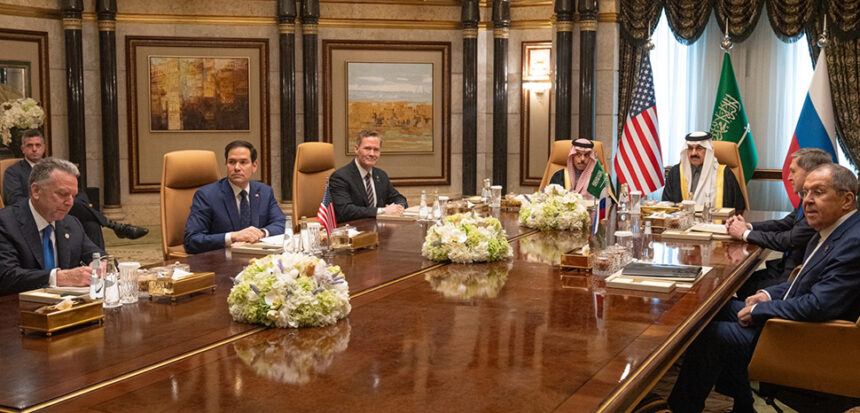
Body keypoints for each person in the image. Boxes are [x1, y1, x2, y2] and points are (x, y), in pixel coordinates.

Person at [668, 164, 860, 413]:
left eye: (818, 192)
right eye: (805, 193)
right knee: (712, 310)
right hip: (799, 321)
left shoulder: (853, 242)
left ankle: (681, 409)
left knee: (709, 334)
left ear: (846, 200)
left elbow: (819, 305)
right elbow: (804, 282)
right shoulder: (830, 229)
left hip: (812, 339)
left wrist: (762, 310)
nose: (807, 201)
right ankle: (743, 404)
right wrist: (767, 295)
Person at [2, 129, 149, 248]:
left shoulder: (56, 168)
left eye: (38, 145)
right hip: (37, 212)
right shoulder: (13, 171)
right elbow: (14, 200)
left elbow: (80, 193)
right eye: (30, 146)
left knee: (92, 224)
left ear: (44, 148)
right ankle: (115, 226)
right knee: (71, 202)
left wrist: (72, 202)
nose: (34, 149)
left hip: (67, 212)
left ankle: (98, 264)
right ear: (22, 149)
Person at [725, 148, 832, 298]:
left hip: (793, 277)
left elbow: (788, 240)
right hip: (784, 266)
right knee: (738, 282)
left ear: (811, 173)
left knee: (735, 287)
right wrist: (749, 226)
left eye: (793, 171)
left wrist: (745, 234)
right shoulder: (806, 197)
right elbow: (786, 223)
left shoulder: (819, 207)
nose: (788, 178)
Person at [0, 158, 103, 296]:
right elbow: (6, 276)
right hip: (18, 309)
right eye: (62, 194)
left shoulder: (71, 223)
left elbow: (97, 255)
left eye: (73, 196)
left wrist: (102, 264)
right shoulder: (6, 223)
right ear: (36, 191)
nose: (70, 203)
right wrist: (59, 278)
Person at [183, 140, 286, 254]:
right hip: (221, 262)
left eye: (243, 162)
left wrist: (260, 233)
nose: (237, 167)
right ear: (226, 164)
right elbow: (192, 240)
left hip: (257, 260)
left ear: (254, 165)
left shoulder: (265, 192)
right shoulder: (206, 195)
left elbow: (281, 223)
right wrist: (233, 237)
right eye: (232, 162)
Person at [329, 130, 407, 223]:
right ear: (356, 149)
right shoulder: (340, 177)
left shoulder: (381, 175)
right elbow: (345, 210)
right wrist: (383, 211)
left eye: (376, 150)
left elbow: (399, 198)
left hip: (378, 229)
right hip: (353, 230)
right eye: (367, 148)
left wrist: (399, 207)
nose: (372, 154)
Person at [662, 131, 746, 212]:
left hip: (715, 225)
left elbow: (739, 208)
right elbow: (666, 205)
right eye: (690, 148)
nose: (693, 153)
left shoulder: (724, 174)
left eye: (699, 148)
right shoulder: (676, 173)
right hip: (683, 225)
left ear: (708, 150)